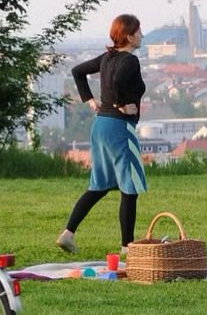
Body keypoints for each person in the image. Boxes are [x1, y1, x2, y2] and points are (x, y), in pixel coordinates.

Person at [56, 14, 147, 256]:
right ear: (128, 36)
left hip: (101, 126)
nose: (142, 35)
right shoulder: (129, 60)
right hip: (119, 128)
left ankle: (68, 233)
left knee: (100, 185)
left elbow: (77, 72)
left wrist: (89, 100)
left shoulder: (107, 58)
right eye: (139, 31)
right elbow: (117, 81)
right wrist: (120, 104)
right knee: (130, 188)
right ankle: (127, 247)